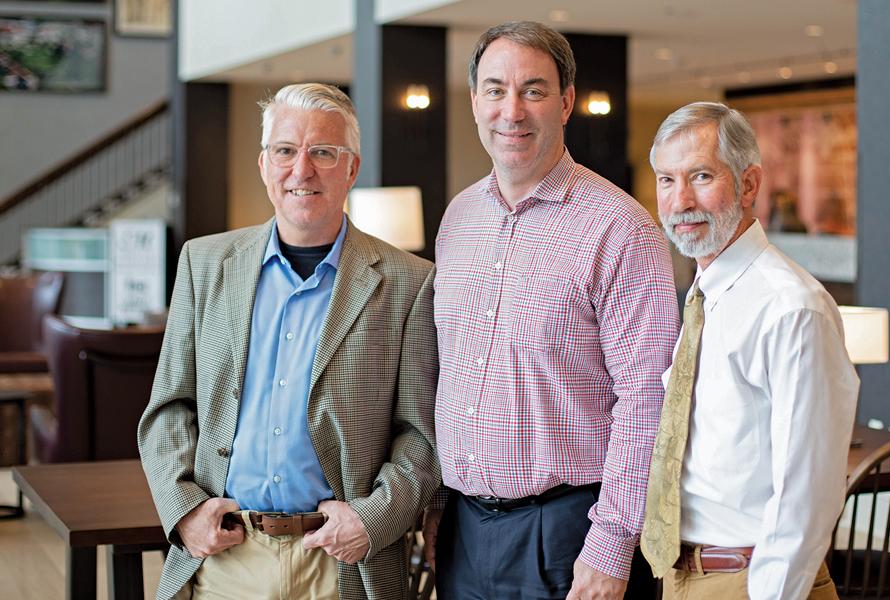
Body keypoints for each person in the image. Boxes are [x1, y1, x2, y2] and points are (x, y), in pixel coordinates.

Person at [137, 83, 439, 600]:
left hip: (342, 563)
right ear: (263, 164)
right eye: (285, 150)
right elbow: (168, 407)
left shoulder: (410, 282)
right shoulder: (204, 263)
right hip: (226, 558)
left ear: (351, 168)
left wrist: (373, 519)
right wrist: (182, 509)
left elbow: (422, 433)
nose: (302, 170)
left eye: (323, 152)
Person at [425, 21, 680, 600]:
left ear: (565, 103)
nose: (511, 110)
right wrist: (438, 504)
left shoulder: (619, 228)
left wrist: (612, 544)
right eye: (494, 90)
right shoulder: (457, 220)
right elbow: (451, 374)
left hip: (570, 534)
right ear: (474, 102)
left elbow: (647, 399)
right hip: (464, 532)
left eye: (533, 90)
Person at [641, 101, 859, 599]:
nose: (679, 201)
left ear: (749, 184)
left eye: (700, 176)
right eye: (666, 180)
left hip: (750, 581)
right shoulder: (703, 297)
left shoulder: (791, 307)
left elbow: (806, 497)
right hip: (683, 575)